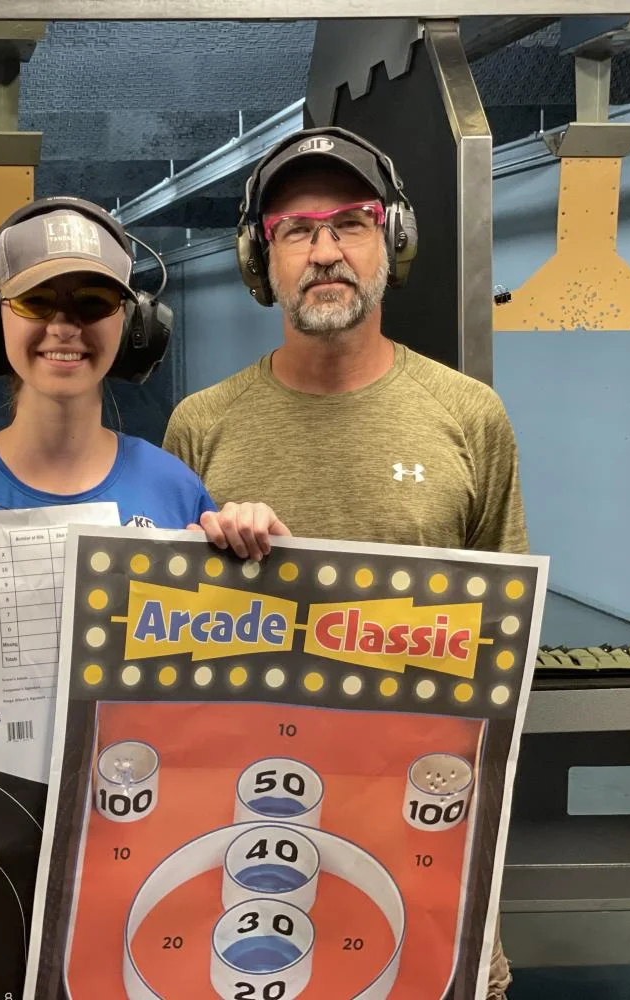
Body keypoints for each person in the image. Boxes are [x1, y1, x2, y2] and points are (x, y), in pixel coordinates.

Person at [162, 127, 526, 996]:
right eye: (295, 230)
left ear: (391, 241)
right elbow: (164, 659)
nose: (325, 251)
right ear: (260, 261)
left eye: (351, 223)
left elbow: (501, 650)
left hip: (419, 827)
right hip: (246, 829)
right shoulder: (200, 426)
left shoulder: (469, 415)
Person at [0, 196, 287, 559]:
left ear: (134, 325)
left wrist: (259, 555)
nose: (63, 327)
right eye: (35, 301)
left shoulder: (177, 489)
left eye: (93, 302)